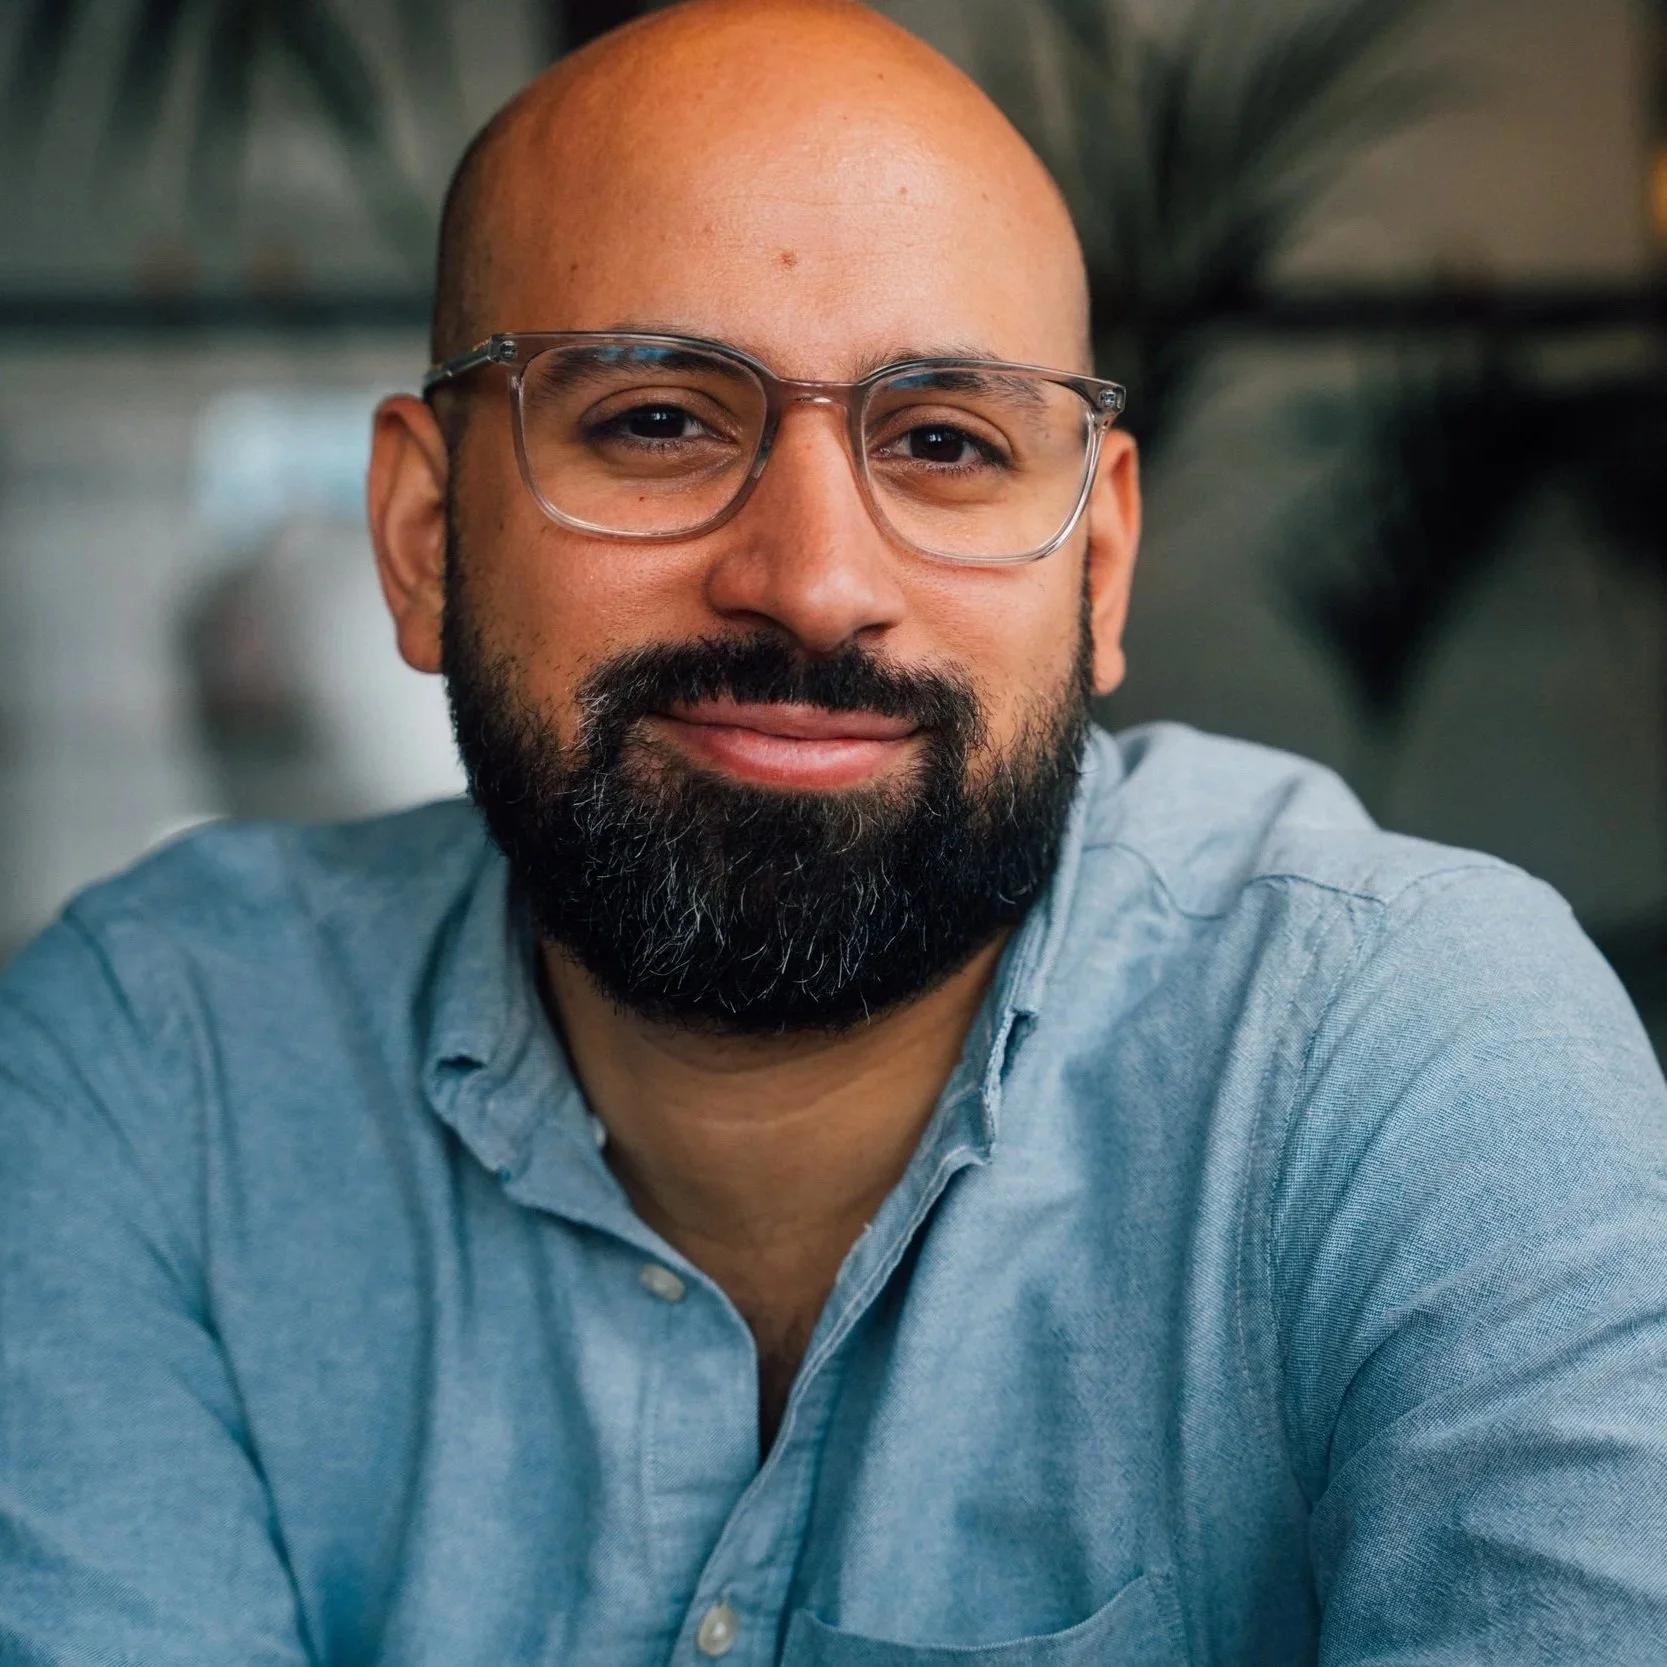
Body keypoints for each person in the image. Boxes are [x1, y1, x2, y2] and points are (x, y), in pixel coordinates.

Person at [3, 2, 1666, 1662]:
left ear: (1096, 572)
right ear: (427, 534)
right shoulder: (157, 1071)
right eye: (658, 420)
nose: (811, 581)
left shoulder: (1406, 1056)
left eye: (944, 443)